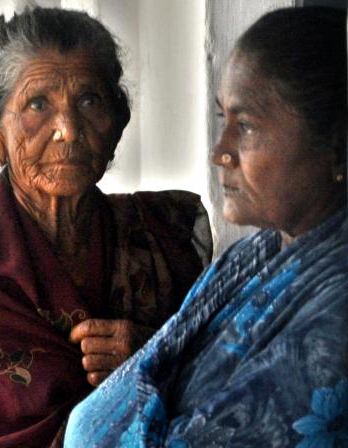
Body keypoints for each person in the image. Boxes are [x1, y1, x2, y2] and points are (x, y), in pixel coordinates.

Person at [0, 7, 213, 446]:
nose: (68, 130)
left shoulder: (167, 234)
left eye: (90, 101)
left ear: (119, 121)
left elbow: (229, 385)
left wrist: (157, 358)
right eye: (38, 105)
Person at [64, 7, 347, 447]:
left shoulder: (333, 326)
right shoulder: (255, 256)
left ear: (337, 146)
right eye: (223, 120)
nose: (220, 152)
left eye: (247, 126)